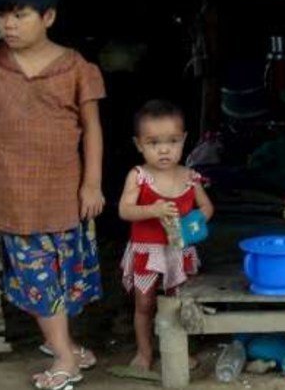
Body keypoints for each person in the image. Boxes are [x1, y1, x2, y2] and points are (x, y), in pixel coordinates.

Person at [0, 0, 106, 390]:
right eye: (3, 15)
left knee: (64, 277)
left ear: (48, 17)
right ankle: (65, 359)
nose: (9, 24)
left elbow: (92, 129)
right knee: (37, 279)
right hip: (16, 196)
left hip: (64, 193)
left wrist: (92, 184)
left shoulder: (76, 68)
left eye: (20, 15)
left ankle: (66, 346)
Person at [118, 99, 214, 372]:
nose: (164, 149)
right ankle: (144, 353)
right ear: (139, 144)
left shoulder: (190, 176)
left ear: (183, 140)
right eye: (153, 143)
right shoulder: (138, 176)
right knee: (144, 303)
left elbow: (207, 207)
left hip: (178, 251)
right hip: (147, 251)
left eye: (172, 141)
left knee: (178, 302)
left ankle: (178, 351)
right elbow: (124, 210)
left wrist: (194, 222)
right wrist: (153, 210)